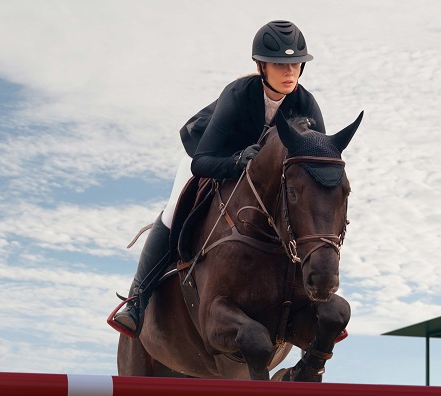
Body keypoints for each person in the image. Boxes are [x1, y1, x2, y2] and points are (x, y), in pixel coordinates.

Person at [113, 20, 326, 336]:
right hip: (210, 153)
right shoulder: (238, 94)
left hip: (261, 175)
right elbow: (202, 162)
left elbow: (315, 165)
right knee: (174, 209)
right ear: (260, 66)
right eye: (280, 64)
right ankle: (137, 299)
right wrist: (238, 161)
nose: (289, 72)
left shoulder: (306, 103)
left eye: (295, 63)